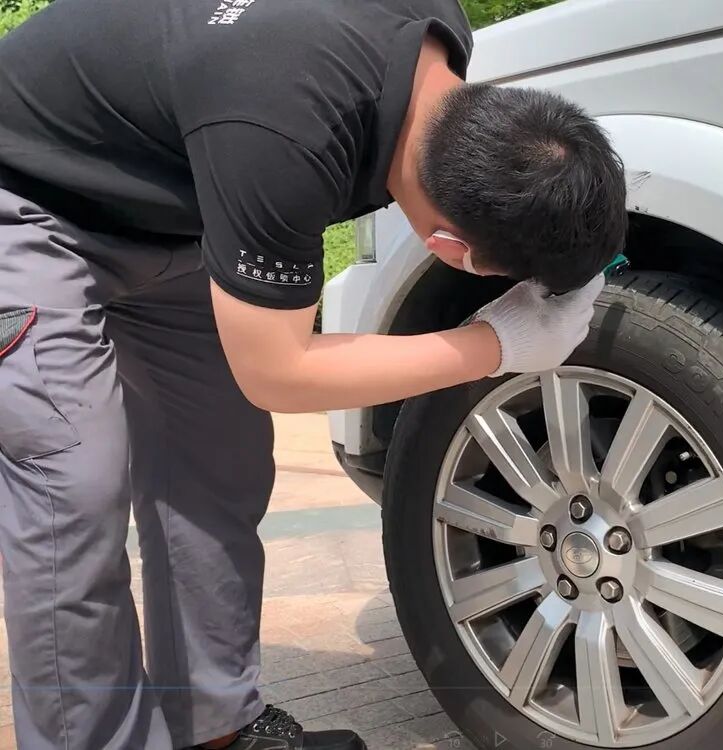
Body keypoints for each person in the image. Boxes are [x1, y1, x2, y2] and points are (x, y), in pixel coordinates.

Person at [0, 0, 627, 746]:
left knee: (218, 461)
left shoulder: (436, 30)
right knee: (73, 487)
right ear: (451, 248)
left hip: (177, 192)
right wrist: (498, 343)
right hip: (26, 194)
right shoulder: (284, 138)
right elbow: (279, 372)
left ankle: (214, 727)